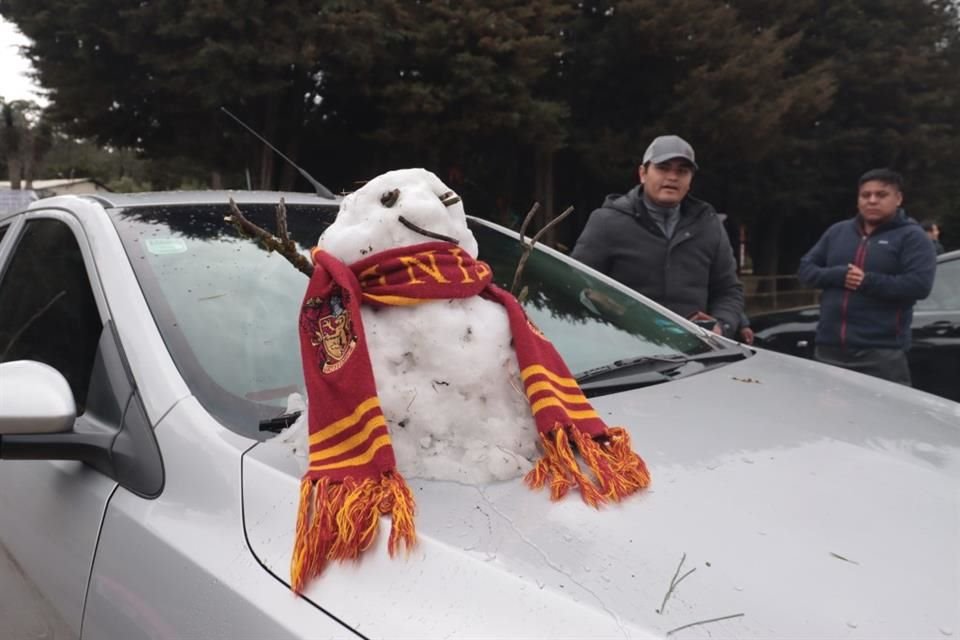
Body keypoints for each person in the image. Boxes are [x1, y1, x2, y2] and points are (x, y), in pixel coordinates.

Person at [571, 134, 744, 337]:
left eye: (682, 171)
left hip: (695, 354)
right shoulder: (607, 222)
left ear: (690, 180)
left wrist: (721, 326)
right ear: (643, 173)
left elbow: (729, 290)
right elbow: (575, 283)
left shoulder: (709, 225)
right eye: (663, 168)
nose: (672, 177)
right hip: (622, 351)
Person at [797, 168, 936, 385]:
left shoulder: (912, 237)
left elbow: (919, 285)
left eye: (881, 195)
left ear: (898, 198)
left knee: (884, 417)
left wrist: (866, 281)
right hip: (829, 348)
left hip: (881, 353)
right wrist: (838, 275)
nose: (872, 200)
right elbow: (806, 270)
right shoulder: (837, 232)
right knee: (826, 418)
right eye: (865, 195)